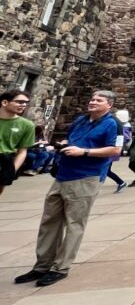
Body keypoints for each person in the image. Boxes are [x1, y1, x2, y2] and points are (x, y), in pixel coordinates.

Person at [14, 90, 120, 286]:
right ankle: (42, 265)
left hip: (85, 177)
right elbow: (71, 140)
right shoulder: (80, 120)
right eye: (92, 99)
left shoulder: (114, 124)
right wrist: (62, 145)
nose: (93, 102)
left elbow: (116, 150)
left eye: (99, 100)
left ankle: (60, 267)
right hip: (62, 175)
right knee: (49, 221)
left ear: (109, 105)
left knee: (74, 224)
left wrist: (84, 152)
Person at [1, 89, 35, 194]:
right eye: (19, 102)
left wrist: (12, 170)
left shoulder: (27, 125)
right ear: (5, 102)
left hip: (4, 160)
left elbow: (22, 151)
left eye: (26, 103)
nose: (23, 105)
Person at [106, 109, 132, 194]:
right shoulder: (120, 125)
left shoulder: (123, 127)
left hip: (111, 150)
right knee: (105, 170)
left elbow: (125, 139)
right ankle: (121, 182)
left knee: (105, 170)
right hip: (110, 150)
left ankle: (121, 182)